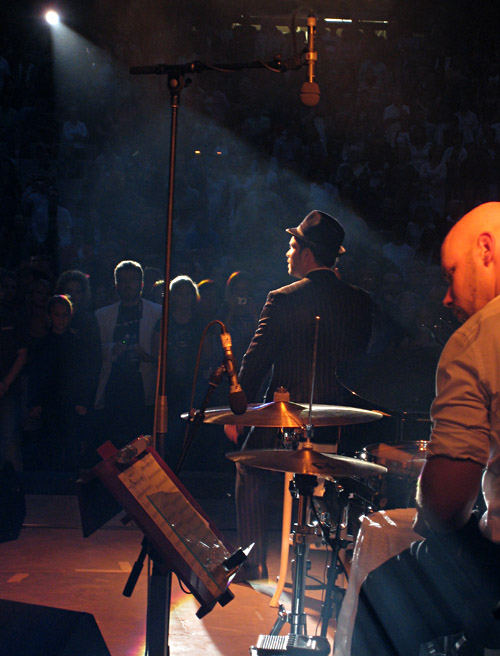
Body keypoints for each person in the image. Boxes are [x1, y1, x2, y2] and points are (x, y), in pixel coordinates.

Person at [350, 202, 500, 656]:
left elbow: (446, 505)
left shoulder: (479, 339)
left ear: (487, 251)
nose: (447, 297)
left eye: (451, 274)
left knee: (381, 601)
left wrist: (430, 486)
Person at [226, 210, 373, 580]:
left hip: (290, 421)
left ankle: (252, 562)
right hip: (342, 423)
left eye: (292, 246)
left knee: (248, 465)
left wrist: (238, 413)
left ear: (308, 254)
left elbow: (255, 362)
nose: (286, 253)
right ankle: (344, 564)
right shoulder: (361, 301)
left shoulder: (283, 298)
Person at [95, 261, 162, 450]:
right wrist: (111, 349)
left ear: (141, 284)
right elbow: (94, 349)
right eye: (123, 281)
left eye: (132, 280)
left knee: (140, 439)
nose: (127, 285)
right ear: (116, 285)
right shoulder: (103, 315)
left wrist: (146, 355)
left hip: (141, 382)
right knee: (113, 439)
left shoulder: (157, 312)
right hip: (114, 384)